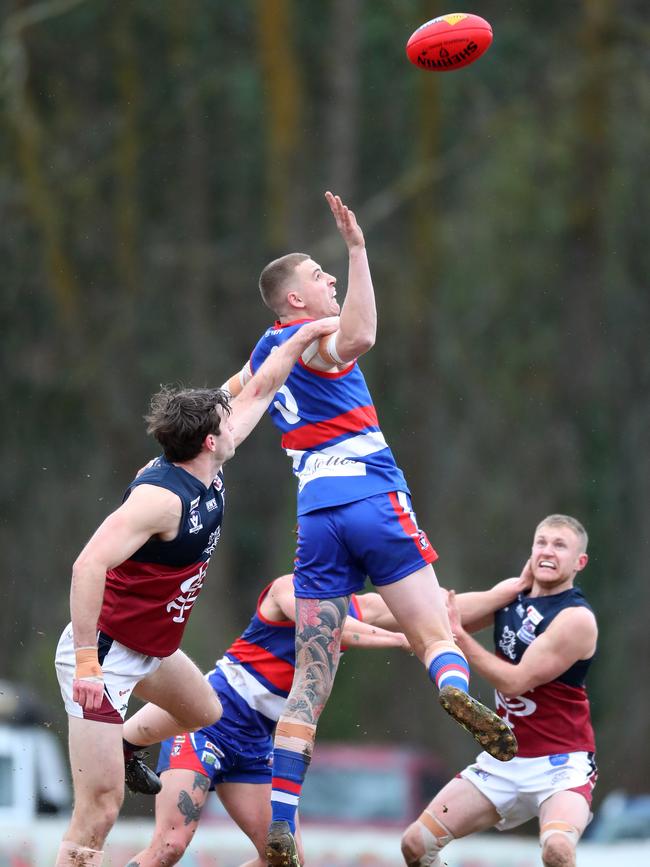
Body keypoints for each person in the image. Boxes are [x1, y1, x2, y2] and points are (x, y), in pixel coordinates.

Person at [222, 192, 517, 867]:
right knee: (434, 629)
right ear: (293, 300)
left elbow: (225, 398)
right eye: (318, 277)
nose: (330, 282)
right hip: (373, 497)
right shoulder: (314, 339)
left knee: (311, 681)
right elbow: (359, 337)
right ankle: (451, 689)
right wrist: (357, 250)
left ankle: (283, 822)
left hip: (316, 517)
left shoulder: (265, 352)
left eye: (333, 273)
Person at [53, 316, 339, 867]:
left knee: (206, 707)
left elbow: (257, 386)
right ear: (211, 440)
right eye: (227, 424)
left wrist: (301, 336)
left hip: (151, 650)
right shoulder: (161, 498)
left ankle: (126, 743)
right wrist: (88, 664)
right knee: (101, 809)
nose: (239, 424)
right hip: (105, 656)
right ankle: (106, 766)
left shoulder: (209, 462)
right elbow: (86, 565)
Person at [120, 573, 411, 867]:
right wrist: (400, 638)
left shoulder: (365, 608)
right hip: (208, 725)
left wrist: (446, 624)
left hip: (256, 745)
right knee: (169, 847)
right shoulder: (289, 587)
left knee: (283, 861)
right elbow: (324, 627)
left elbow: (431, 604)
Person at [400, 514, 598, 867]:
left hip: (560, 764)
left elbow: (515, 681)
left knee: (557, 850)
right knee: (415, 844)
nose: (548, 552)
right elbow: (439, 620)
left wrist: (461, 638)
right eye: (542, 542)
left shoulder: (576, 618)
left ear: (579, 562)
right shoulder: (512, 594)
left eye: (560, 545)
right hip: (504, 762)